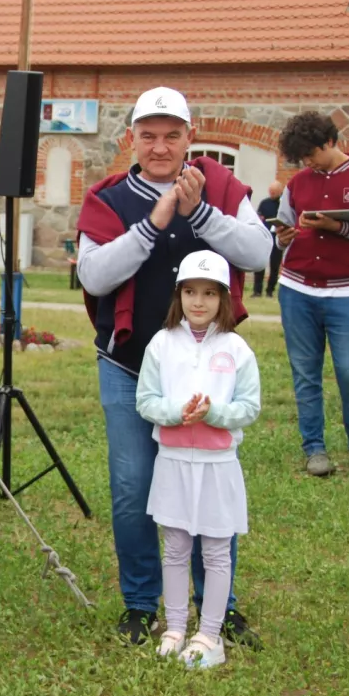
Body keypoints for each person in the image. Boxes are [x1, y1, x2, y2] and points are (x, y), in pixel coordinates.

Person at [76, 87, 272, 648]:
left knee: (208, 485)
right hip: (129, 362)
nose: (160, 146)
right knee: (134, 486)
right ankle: (141, 604)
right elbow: (94, 276)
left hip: (205, 371)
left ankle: (218, 607)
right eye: (148, 135)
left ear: (190, 137)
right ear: (131, 139)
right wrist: (156, 220)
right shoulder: (110, 198)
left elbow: (258, 254)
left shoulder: (222, 186)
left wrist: (201, 213)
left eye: (172, 134)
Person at [136, 250, 260, 669]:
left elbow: (249, 407)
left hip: (217, 465)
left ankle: (209, 635)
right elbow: (146, 400)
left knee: (216, 550)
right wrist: (176, 413)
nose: (199, 302)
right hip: (172, 460)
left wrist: (214, 414)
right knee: (174, 546)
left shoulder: (237, 348)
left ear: (224, 298)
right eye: (190, 292)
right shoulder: (161, 343)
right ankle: (174, 627)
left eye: (209, 293)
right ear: (179, 295)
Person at [273, 111, 349, 477]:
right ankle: (314, 449)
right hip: (295, 288)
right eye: (301, 158)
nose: (306, 163)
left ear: (330, 141)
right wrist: (282, 238)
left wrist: (336, 226)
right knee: (305, 373)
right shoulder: (297, 183)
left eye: (310, 154)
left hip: (346, 293)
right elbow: (284, 226)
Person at [253, 181, 284, 298]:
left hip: (277, 238)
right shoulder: (265, 203)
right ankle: (257, 291)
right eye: (270, 191)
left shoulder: (283, 203)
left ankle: (270, 290)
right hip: (264, 237)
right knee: (260, 264)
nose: (271, 193)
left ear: (280, 191)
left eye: (274, 192)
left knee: (274, 265)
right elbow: (259, 217)